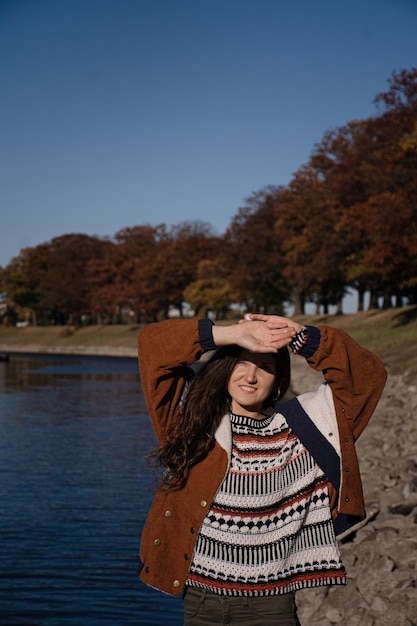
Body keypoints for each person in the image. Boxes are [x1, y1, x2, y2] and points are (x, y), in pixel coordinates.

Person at [137, 314, 387, 626]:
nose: (250, 376)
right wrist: (231, 333)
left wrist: (302, 337)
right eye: (242, 362)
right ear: (226, 367)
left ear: (278, 382)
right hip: (201, 603)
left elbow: (368, 376)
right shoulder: (190, 421)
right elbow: (152, 345)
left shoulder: (308, 428)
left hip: (270, 608)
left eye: (265, 368)